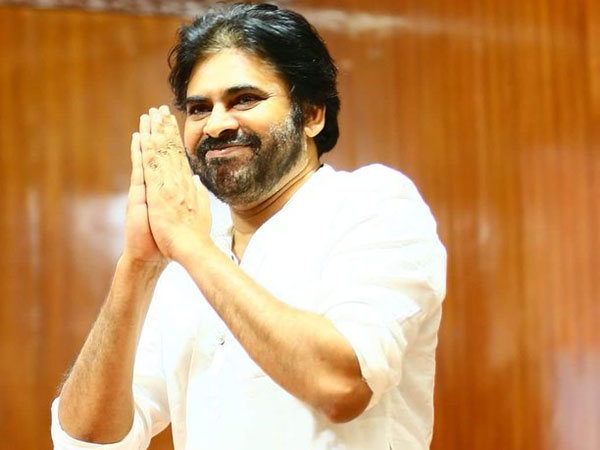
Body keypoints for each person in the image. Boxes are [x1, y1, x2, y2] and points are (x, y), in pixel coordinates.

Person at [51, 3, 446, 449]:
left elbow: (340, 386)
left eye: (244, 99)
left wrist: (190, 246)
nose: (216, 125)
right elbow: (86, 440)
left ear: (311, 114)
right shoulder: (191, 249)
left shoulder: (373, 203)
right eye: (199, 108)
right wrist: (137, 265)